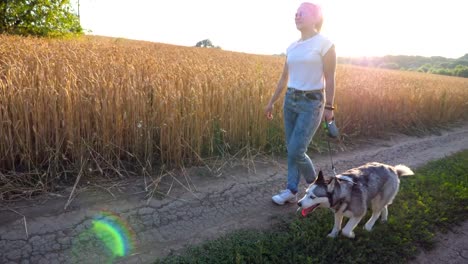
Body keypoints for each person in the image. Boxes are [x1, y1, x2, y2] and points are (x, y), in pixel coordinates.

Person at [265, 2, 336, 205]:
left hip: (312, 102)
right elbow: (284, 77)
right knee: (291, 149)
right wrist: (271, 102)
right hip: (290, 100)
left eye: (301, 13)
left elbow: (330, 78)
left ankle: (315, 186)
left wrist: (330, 107)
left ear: (315, 17)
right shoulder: (292, 47)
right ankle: (291, 190)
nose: (296, 16)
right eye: (295, 14)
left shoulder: (325, 44)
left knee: (296, 150)